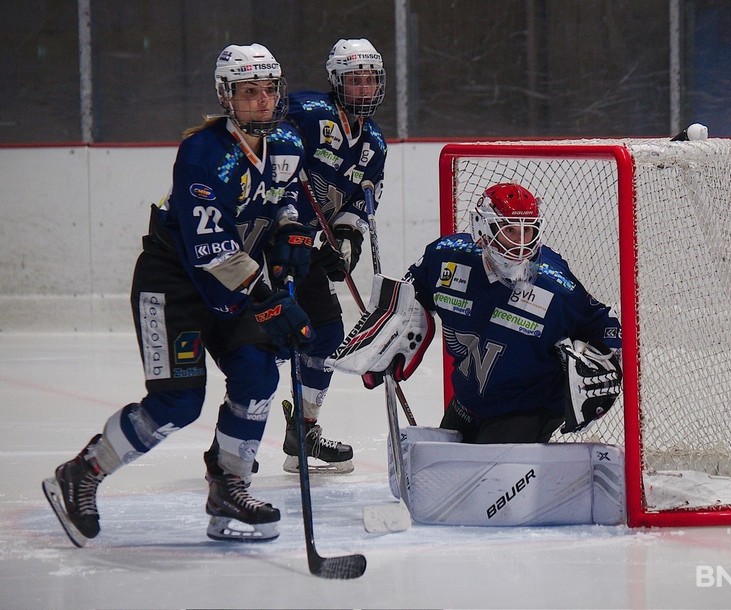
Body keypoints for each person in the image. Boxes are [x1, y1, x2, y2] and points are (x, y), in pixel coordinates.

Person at [42, 43, 315, 546]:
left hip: (235, 286)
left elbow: (284, 197)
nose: (261, 101)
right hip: (174, 287)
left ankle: (229, 488)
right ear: (226, 96)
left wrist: (292, 231)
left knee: (257, 373)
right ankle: (84, 472)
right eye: (248, 91)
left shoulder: (288, 143)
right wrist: (268, 296)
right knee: (177, 403)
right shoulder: (204, 153)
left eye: (269, 90)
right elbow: (212, 249)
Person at [329, 182, 623, 444]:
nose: (521, 243)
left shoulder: (554, 285)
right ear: (483, 229)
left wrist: (600, 373)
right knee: (442, 479)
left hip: (528, 405)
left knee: (483, 487)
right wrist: (385, 341)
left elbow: (605, 326)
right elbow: (411, 296)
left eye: (528, 230)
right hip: (469, 399)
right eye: (510, 230)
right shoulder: (445, 258)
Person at [279, 38, 388, 473]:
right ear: (336, 82)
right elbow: (263, 153)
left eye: (370, 80)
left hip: (305, 248)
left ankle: (302, 433)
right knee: (254, 346)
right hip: (267, 243)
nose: (364, 89)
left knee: (326, 331)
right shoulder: (305, 112)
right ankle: (227, 450)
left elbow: (360, 204)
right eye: (354, 80)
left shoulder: (374, 144)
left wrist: (344, 242)